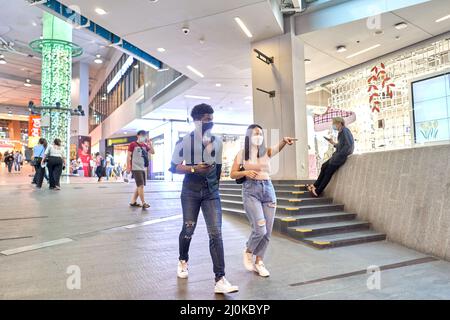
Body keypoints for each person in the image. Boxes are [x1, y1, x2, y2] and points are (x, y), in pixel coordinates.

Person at [169, 103, 238, 294]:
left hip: (211, 193)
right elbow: (174, 167)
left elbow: (217, 168)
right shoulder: (184, 141)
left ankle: (220, 278)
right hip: (190, 191)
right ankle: (183, 259)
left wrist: (215, 187)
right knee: (188, 228)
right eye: (207, 119)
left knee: (216, 233)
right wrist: (193, 168)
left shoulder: (217, 141)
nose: (210, 122)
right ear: (197, 120)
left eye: (211, 118)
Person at [230, 124, 296, 277]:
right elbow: (233, 174)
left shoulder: (266, 151)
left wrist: (284, 141)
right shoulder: (242, 154)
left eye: (260, 133)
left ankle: (259, 262)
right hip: (251, 191)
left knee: (267, 232)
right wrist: (246, 172)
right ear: (248, 136)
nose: (258, 136)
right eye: (255, 133)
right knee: (260, 229)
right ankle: (248, 250)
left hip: (268, 190)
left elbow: (278, 147)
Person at [308, 117, 354, 197]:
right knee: (324, 166)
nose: (333, 125)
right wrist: (333, 143)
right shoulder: (341, 132)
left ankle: (318, 191)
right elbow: (341, 145)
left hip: (339, 157)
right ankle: (315, 185)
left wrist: (340, 154)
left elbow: (349, 146)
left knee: (328, 172)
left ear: (339, 123)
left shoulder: (345, 131)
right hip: (336, 156)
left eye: (334, 123)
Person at [126, 130, 155, 208]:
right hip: (135, 168)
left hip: (143, 168)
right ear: (137, 136)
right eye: (142, 135)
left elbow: (153, 152)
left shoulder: (145, 146)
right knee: (141, 185)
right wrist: (128, 167)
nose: (143, 137)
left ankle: (133, 202)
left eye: (144, 135)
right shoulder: (132, 144)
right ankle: (143, 203)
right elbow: (128, 156)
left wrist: (150, 144)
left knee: (139, 186)